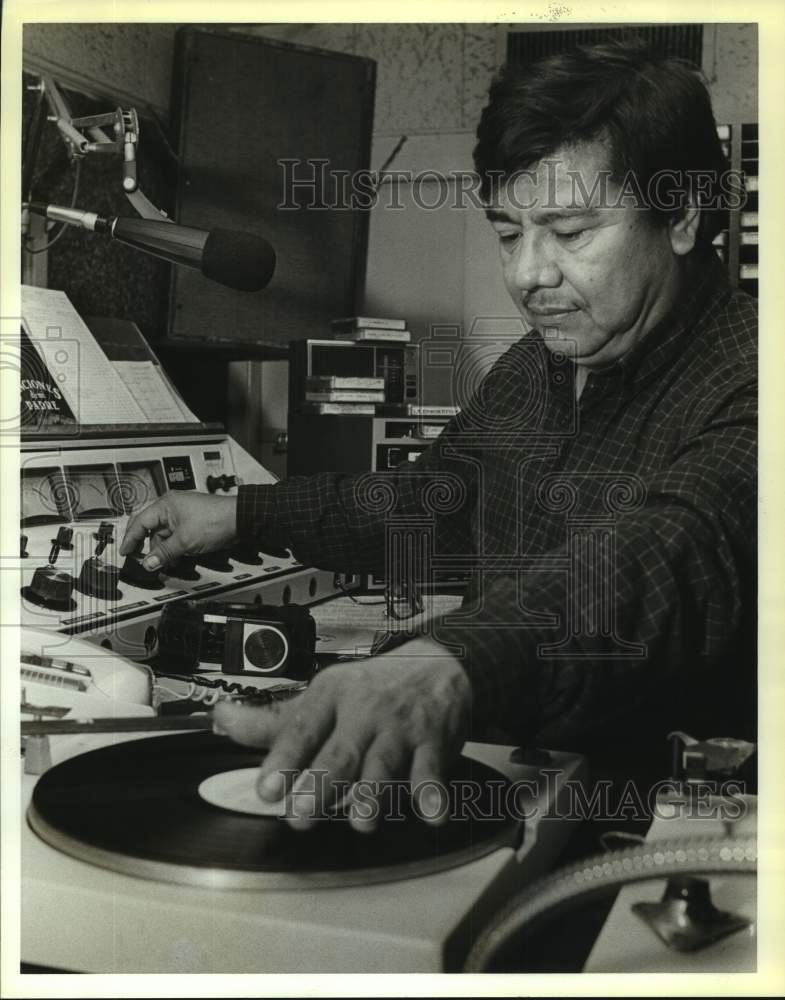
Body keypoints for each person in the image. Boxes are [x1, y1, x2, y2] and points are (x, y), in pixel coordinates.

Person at [121, 40, 757, 831]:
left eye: (567, 231)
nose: (528, 274)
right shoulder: (542, 363)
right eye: (506, 232)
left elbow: (675, 550)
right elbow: (437, 497)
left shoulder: (755, 374)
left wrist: (446, 665)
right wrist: (241, 516)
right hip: (498, 793)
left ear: (684, 216)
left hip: (639, 829)